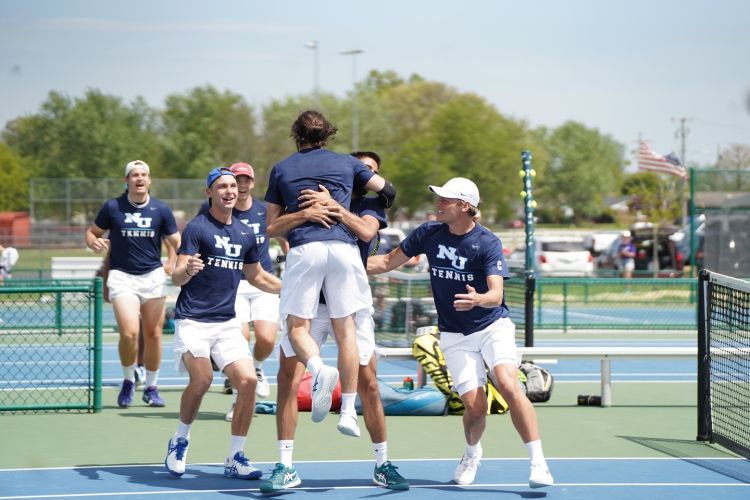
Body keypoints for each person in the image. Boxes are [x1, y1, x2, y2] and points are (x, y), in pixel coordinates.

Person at [367, 177, 554, 489]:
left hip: (493, 326)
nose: (438, 204)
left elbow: (496, 294)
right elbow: (386, 262)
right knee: (476, 407)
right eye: (438, 198)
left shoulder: (487, 242)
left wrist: (477, 299)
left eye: (445, 200)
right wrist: (344, 262)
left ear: (465, 207)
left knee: (508, 384)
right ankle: (472, 453)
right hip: (454, 334)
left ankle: (538, 462)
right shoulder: (428, 233)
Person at [259, 151, 408, 493]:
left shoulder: (371, 205)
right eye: (363, 170)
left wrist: (335, 208)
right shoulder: (314, 192)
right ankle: (284, 466)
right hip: (312, 305)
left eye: (373, 171)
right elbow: (277, 226)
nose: (369, 175)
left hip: (348, 307)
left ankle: (382, 463)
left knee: (369, 382)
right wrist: (307, 213)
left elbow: (367, 234)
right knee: (287, 380)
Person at [263, 110, 396, 439]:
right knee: (346, 331)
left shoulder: (281, 169)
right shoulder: (348, 165)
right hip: (343, 252)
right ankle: (348, 411)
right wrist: (339, 200)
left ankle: (320, 370)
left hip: (306, 251)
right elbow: (389, 191)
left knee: (297, 329)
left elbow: (271, 227)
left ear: (296, 135)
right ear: (329, 135)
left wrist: (306, 212)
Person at [163, 167, 282, 479]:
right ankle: (180, 439)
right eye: (222, 186)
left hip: (226, 322)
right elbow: (176, 275)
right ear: (210, 193)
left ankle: (234, 456)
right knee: (201, 379)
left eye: (233, 186)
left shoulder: (245, 233)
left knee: (249, 382)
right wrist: (186, 269)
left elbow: (257, 276)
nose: (230, 190)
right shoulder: (197, 228)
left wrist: (291, 290)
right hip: (193, 321)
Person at [85, 160, 180, 408]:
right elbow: (92, 232)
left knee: (154, 334)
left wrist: (170, 262)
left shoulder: (161, 209)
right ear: (126, 181)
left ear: (149, 181)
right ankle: (128, 380)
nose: (139, 178)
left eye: (144, 175)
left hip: (152, 277)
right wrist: (92, 241)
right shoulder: (113, 207)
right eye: (134, 175)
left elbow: (175, 241)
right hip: (122, 277)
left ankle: (151, 387)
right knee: (129, 333)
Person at [197, 162, 286, 421]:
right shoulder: (217, 211)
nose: (242, 185)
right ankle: (238, 400)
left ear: (252, 183)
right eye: (237, 180)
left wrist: (290, 264)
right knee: (240, 339)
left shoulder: (264, 211)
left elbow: (283, 237)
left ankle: (257, 369)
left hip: (262, 280)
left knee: (267, 339)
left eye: (246, 180)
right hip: (231, 283)